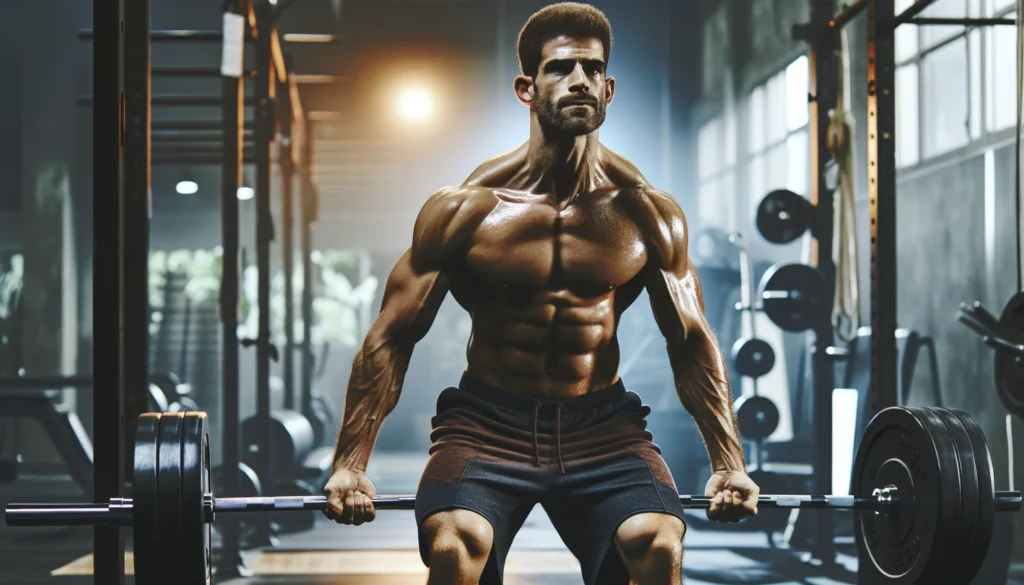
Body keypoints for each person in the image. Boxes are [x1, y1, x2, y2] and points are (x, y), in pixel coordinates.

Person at [323, 3, 759, 584]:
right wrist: (351, 465)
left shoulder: (647, 214)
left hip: (602, 426)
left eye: (591, 68)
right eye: (560, 68)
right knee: (455, 545)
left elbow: (690, 339)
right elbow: (392, 337)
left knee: (656, 545)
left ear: (609, 89)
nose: (578, 79)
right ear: (526, 88)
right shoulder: (465, 211)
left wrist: (729, 464)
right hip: (486, 423)